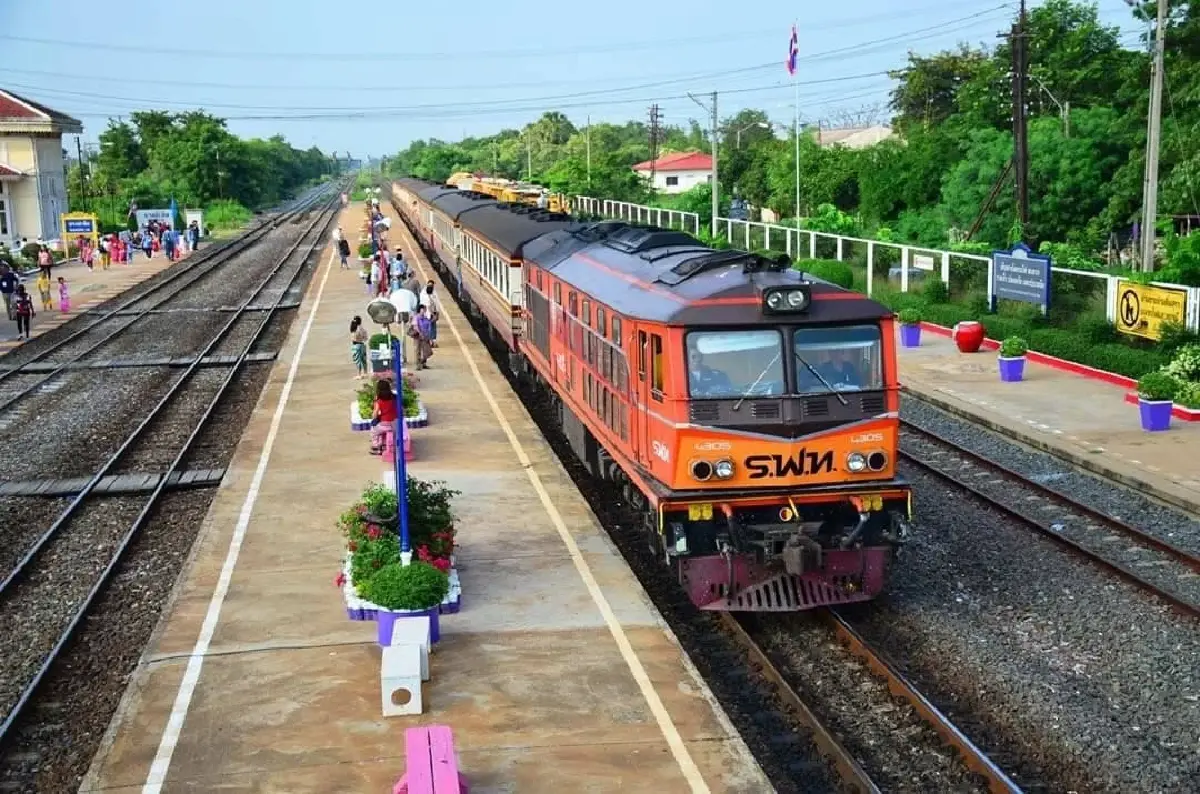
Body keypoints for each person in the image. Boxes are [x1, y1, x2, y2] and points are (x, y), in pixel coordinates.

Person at [369, 379, 399, 455]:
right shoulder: (394, 398)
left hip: (384, 424)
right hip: (395, 424)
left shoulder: (379, 401)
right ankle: (384, 444)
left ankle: (376, 446)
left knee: (374, 430)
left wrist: (374, 418)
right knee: (380, 428)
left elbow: (375, 413)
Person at [410, 304, 433, 369]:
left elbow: (429, 325)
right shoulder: (416, 317)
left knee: (427, 351)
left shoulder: (425, 317)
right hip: (417, 336)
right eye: (423, 309)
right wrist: (420, 333)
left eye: (425, 309)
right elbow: (415, 326)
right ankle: (418, 364)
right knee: (417, 350)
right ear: (420, 310)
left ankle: (423, 362)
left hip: (425, 335)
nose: (425, 310)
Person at [420, 280, 442, 348]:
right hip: (427, 313)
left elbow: (437, 303)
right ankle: (429, 341)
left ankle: (431, 341)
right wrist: (435, 314)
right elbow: (428, 306)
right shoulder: (424, 294)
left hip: (430, 313)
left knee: (432, 327)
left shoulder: (433, 292)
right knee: (429, 327)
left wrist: (437, 312)